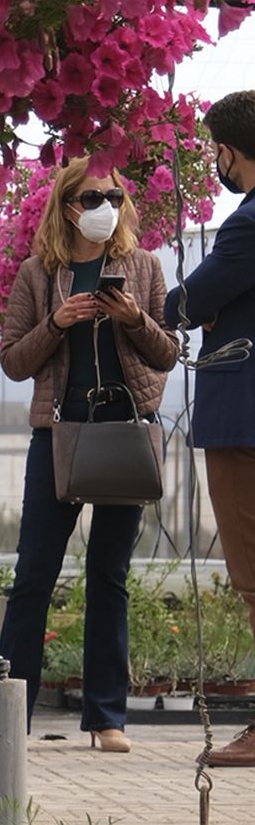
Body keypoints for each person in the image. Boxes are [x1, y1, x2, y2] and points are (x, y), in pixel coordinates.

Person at [0, 158, 176, 753]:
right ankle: (9, 713)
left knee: (109, 576)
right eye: (94, 196)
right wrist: (56, 321)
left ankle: (106, 718)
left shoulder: (144, 266)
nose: (107, 206)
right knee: (33, 576)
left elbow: (166, 355)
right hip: (59, 434)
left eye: (115, 196)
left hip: (125, 433)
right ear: (68, 204)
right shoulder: (38, 272)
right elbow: (14, 360)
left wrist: (134, 317)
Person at [164, 91, 255, 765]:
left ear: (228, 151)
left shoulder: (247, 223)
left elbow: (192, 300)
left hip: (243, 419)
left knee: (253, 576)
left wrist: (166, 304)